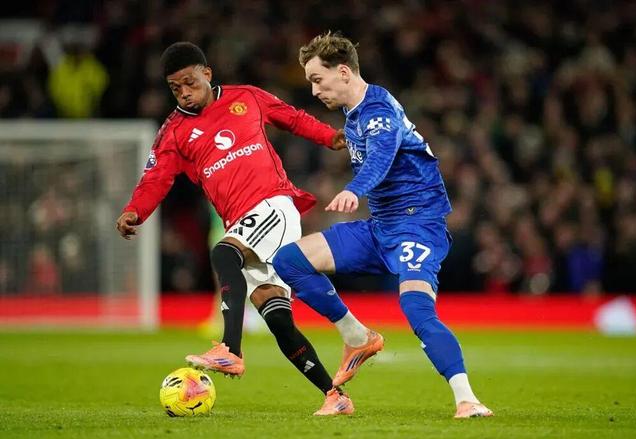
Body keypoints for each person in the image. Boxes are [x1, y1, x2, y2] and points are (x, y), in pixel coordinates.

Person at [116, 42, 353, 415]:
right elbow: (156, 177)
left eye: (190, 82)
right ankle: (335, 397)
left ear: (207, 74)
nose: (184, 92)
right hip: (243, 222)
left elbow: (291, 118)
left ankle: (230, 349)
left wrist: (329, 136)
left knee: (224, 253)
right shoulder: (174, 132)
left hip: (273, 204)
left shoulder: (247, 97)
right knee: (277, 318)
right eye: (175, 88)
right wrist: (135, 210)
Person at [272, 32, 493, 418]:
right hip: (380, 227)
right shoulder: (353, 115)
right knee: (289, 260)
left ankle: (467, 399)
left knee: (415, 307)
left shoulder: (378, 109)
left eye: (317, 79)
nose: (314, 90)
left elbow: (382, 156)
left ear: (343, 72)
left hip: (418, 225)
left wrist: (354, 189)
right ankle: (357, 336)